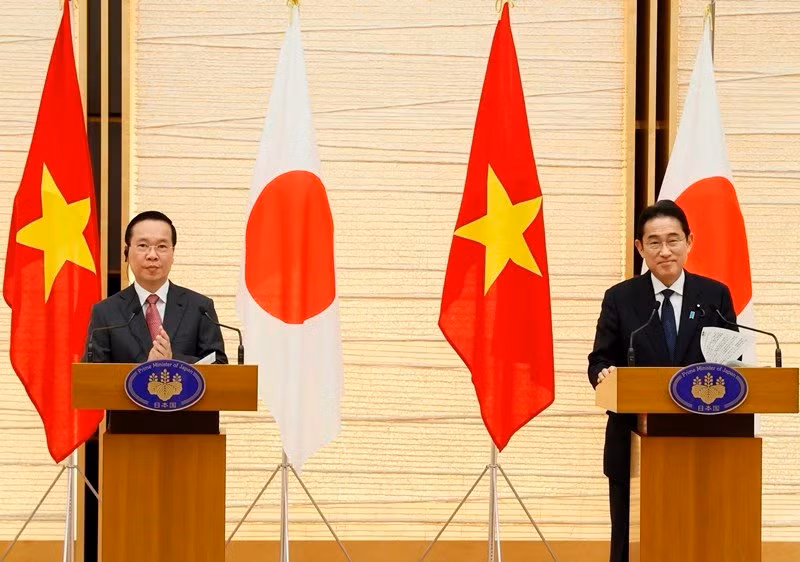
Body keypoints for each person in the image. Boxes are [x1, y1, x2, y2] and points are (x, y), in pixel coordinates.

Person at [588, 200, 736, 562]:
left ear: (690, 241)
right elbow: (600, 361)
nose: (665, 251)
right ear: (640, 247)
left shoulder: (714, 296)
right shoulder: (621, 299)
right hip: (634, 441)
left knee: (699, 538)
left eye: (673, 239)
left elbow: (734, 361)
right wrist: (604, 375)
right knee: (629, 542)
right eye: (654, 242)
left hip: (702, 443)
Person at [84, 210, 227, 365]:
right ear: (126, 252)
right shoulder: (106, 312)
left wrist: (172, 360)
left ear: (173, 253)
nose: (152, 255)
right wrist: (145, 369)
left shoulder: (200, 308)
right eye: (143, 245)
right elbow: (92, 377)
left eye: (162, 246)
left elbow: (218, 365)